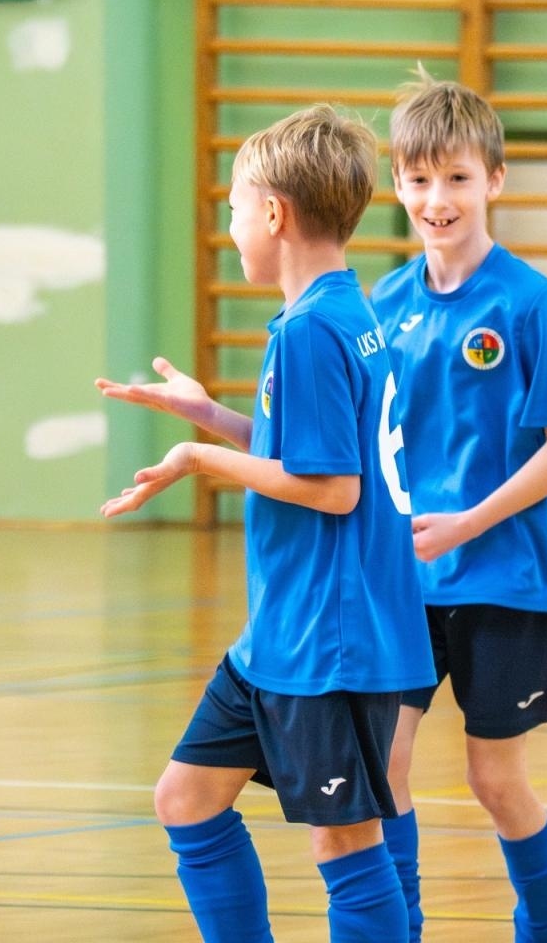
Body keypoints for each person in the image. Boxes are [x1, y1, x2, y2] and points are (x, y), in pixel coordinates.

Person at [96, 104, 435, 943]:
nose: (234, 227)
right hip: (285, 636)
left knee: (345, 844)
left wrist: (198, 460)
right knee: (186, 797)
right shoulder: (337, 313)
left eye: (237, 209)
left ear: (276, 214)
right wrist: (214, 415)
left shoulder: (316, 329)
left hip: (331, 642)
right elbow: (315, 452)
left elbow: (332, 489)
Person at [371, 70, 547, 943]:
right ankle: (400, 929)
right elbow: (333, 441)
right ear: (397, 186)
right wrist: (211, 420)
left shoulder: (527, 300)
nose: (437, 198)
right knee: (382, 763)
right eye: (419, 180)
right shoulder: (379, 306)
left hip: (507, 580)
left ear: (493, 181)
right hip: (408, 582)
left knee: (494, 782)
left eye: (457, 178)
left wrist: (465, 524)